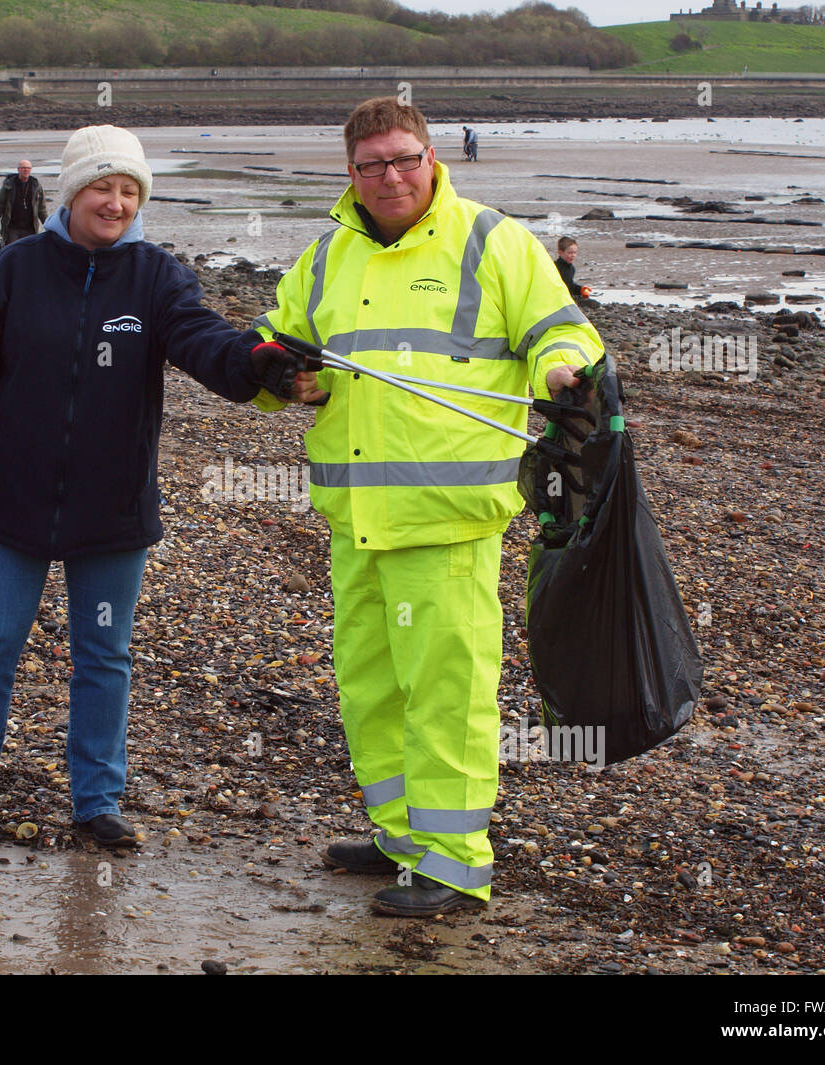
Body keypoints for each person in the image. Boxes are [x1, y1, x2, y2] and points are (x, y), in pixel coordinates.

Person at [250, 97, 605, 917]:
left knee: (447, 693)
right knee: (371, 687)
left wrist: (560, 374)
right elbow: (273, 341)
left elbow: (565, 331)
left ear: (433, 156)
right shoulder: (326, 253)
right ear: (350, 173)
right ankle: (401, 835)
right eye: (372, 164)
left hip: (447, 518)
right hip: (354, 518)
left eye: (404, 158)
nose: (391, 176)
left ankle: (452, 865)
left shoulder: (492, 239)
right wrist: (277, 376)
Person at [0, 125, 295, 845]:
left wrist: (256, 359)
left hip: (113, 508)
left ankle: (97, 800)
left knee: (104, 654)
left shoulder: (156, 276)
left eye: (129, 190)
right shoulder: (14, 269)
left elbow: (201, 339)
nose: (116, 202)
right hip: (12, 502)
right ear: (72, 192)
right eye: (102, 186)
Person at [0, 159, 47, 245]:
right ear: (18, 169)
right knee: (13, 251)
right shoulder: (9, 185)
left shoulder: (36, 186)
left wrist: (48, 225)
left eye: (28, 168)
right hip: (12, 227)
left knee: (28, 253)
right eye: (23, 168)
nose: (26, 170)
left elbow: (42, 209)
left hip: (30, 228)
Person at [555, 236, 590, 300]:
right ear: (560, 253)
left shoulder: (571, 268)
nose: (573, 255)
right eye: (570, 253)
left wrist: (581, 289)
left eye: (575, 252)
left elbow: (570, 286)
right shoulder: (554, 267)